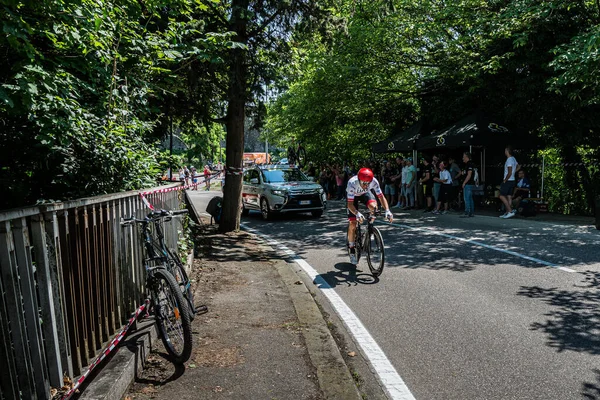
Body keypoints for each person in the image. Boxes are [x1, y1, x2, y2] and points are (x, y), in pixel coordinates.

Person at [346, 168, 393, 265]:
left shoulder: (374, 181)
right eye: (364, 183)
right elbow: (350, 204)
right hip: (353, 197)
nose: (366, 185)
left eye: (368, 183)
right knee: (353, 223)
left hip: (365, 194)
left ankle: (370, 229)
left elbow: (381, 197)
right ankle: (351, 249)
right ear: (359, 180)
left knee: (374, 207)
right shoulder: (352, 183)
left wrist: (387, 210)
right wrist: (357, 213)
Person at [499, 145, 519, 218]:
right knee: (509, 196)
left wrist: (505, 179)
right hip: (513, 180)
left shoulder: (509, 160)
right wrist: (514, 172)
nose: (505, 152)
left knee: (501, 196)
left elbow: (509, 172)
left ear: (507, 151)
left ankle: (510, 210)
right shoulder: (513, 159)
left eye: (505, 150)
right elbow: (518, 166)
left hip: (508, 180)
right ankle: (507, 212)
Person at [460, 152, 476, 218]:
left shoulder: (469, 165)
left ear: (467, 157)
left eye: (464, 157)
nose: (463, 158)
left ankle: (467, 212)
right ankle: (471, 212)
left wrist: (464, 182)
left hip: (468, 184)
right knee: (470, 198)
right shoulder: (469, 164)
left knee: (466, 198)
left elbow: (469, 175)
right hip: (471, 184)